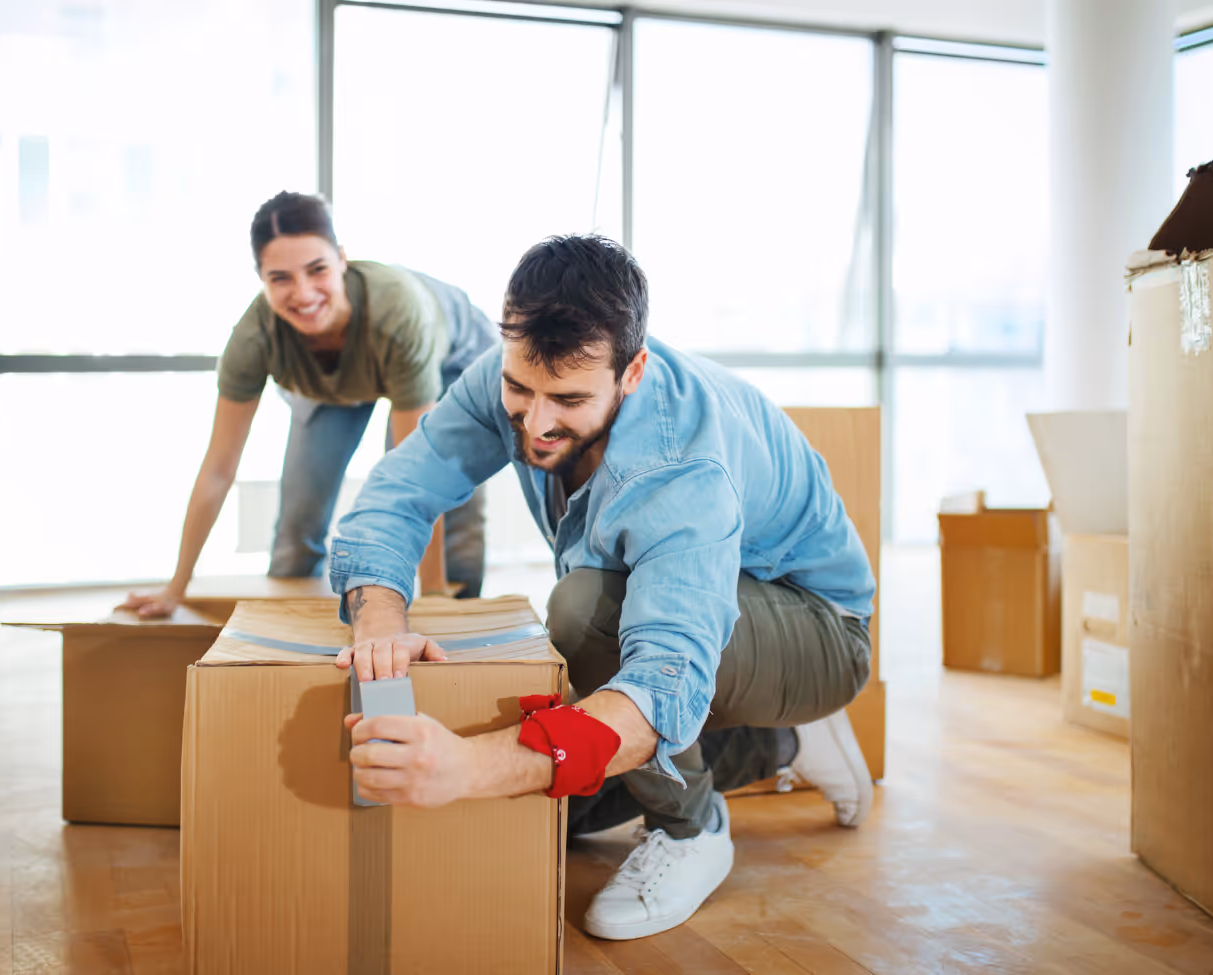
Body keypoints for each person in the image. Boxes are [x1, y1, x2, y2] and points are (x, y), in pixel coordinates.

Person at [331, 234, 877, 941]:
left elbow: (658, 688)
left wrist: (468, 764)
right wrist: (378, 613)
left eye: (568, 399)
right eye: (520, 389)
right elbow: (400, 489)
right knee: (561, 815)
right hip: (722, 606)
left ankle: (691, 831)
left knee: (586, 613)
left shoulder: (681, 470)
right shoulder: (514, 376)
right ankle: (782, 746)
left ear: (633, 370)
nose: (536, 420)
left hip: (818, 628)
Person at [122, 191, 495, 618]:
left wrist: (430, 603)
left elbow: (421, 478)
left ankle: (457, 634)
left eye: (317, 269)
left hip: (450, 357)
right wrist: (176, 588)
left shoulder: (398, 313)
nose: (303, 294)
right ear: (261, 278)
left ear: (341, 259)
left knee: (454, 529)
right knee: (296, 531)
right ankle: (297, 644)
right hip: (335, 377)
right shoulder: (254, 339)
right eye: (280, 278)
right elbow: (218, 469)